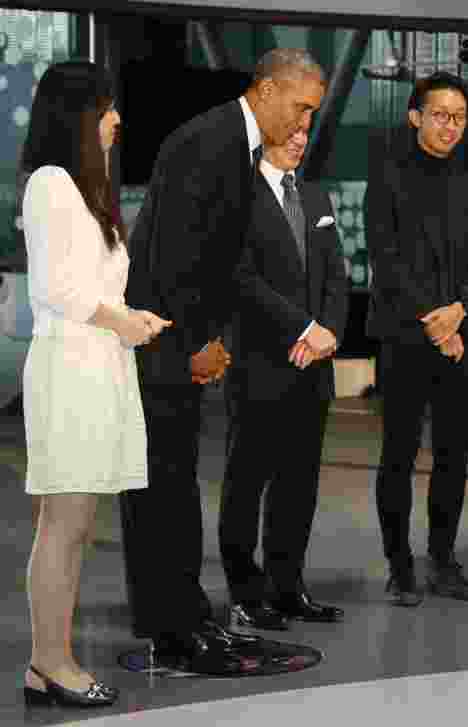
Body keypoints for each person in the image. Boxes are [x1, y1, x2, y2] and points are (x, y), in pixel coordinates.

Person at [120, 49, 325, 674]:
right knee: (162, 491)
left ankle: (186, 618)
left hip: (179, 342)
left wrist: (216, 340)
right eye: (300, 107)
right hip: (163, 345)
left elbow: (219, 264)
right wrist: (194, 347)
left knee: (176, 487)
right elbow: (179, 259)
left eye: (313, 112)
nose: (302, 124)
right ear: (265, 90)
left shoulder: (232, 145)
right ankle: (174, 628)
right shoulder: (209, 143)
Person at [19, 61, 171, 707]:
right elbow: (55, 288)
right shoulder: (52, 183)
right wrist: (123, 319)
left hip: (96, 362)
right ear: (81, 113)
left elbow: (91, 284)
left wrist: (128, 318)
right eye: (108, 106)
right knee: (63, 523)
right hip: (72, 366)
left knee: (73, 524)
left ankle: (46, 661)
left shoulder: (82, 188)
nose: (117, 118)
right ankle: (52, 661)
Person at [365, 71, 468, 607]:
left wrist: (461, 309)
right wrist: (434, 319)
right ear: (415, 116)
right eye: (440, 115)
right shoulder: (387, 180)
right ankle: (400, 568)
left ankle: (442, 561)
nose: (450, 126)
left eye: (459, 117)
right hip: (405, 337)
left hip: (459, 338)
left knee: (453, 456)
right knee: (398, 455)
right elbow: (387, 262)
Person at [219, 127, 348, 631]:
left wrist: (329, 331)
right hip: (260, 364)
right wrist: (304, 327)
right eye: (291, 128)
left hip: (313, 367)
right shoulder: (238, 195)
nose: (301, 138)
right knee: (246, 483)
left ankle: (287, 587)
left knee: (299, 485)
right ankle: (244, 594)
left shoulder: (314, 194)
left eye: (307, 129)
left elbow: (337, 274)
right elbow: (239, 277)